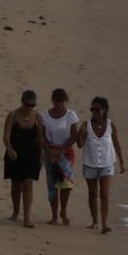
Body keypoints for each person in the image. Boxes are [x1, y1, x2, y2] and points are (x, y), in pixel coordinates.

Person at [77, 96, 125, 234]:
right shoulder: (86, 125)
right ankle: (94, 221)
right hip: (90, 164)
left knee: (104, 194)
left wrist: (121, 162)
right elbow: (80, 145)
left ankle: (104, 224)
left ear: (104, 110)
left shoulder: (111, 125)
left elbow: (116, 143)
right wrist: (80, 135)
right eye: (92, 109)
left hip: (107, 163)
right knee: (93, 194)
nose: (95, 112)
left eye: (97, 109)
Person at [3, 90, 45, 227]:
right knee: (16, 185)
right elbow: (6, 136)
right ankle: (15, 212)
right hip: (14, 155)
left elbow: (40, 138)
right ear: (22, 102)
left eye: (32, 105)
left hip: (31, 156)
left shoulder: (38, 117)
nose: (30, 108)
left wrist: (41, 155)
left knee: (28, 185)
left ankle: (27, 218)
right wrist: (10, 149)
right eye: (27, 105)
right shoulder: (13, 115)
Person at [40, 88, 79, 226]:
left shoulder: (71, 116)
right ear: (53, 101)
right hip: (50, 150)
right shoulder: (45, 116)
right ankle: (54, 215)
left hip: (66, 152)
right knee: (52, 184)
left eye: (61, 102)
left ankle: (64, 210)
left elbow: (74, 135)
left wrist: (61, 149)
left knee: (66, 183)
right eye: (56, 102)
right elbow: (42, 135)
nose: (58, 104)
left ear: (64, 101)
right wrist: (49, 150)